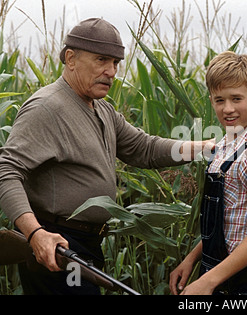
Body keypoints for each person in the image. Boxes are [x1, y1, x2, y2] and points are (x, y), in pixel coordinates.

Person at [0, 18, 212, 295]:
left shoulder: (102, 110)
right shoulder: (46, 108)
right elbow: (6, 171)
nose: (111, 71)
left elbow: (145, 149)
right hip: (57, 245)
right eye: (102, 60)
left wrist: (209, 148)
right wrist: (35, 234)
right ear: (71, 58)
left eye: (115, 63)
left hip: (86, 245)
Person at [169, 51, 247, 295]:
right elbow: (228, 224)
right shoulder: (223, 148)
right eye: (220, 100)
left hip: (244, 286)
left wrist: (208, 281)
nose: (228, 109)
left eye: (236, 98)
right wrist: (192, 259)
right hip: (216, 274)